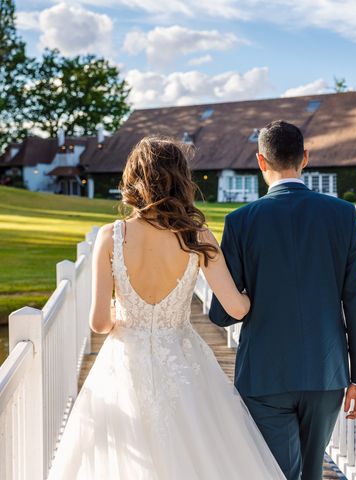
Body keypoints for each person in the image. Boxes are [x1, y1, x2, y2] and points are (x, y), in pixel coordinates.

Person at [47, 137, 285, 479]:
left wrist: (120, 312)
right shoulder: (196, 235)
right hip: (183, 361)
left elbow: (99, 324)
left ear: (134, 179)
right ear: (180, 179)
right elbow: (235, 307)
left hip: (124, 363)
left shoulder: (110, 237)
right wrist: (257, 292)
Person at [209, 120, 356, 480]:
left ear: (261, 161)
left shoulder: (240, 222)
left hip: (264, 375)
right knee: (311, 472)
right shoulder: (343, 215)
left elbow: (221, 315)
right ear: (305, 158)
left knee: (276, 473)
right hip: (326, 372)